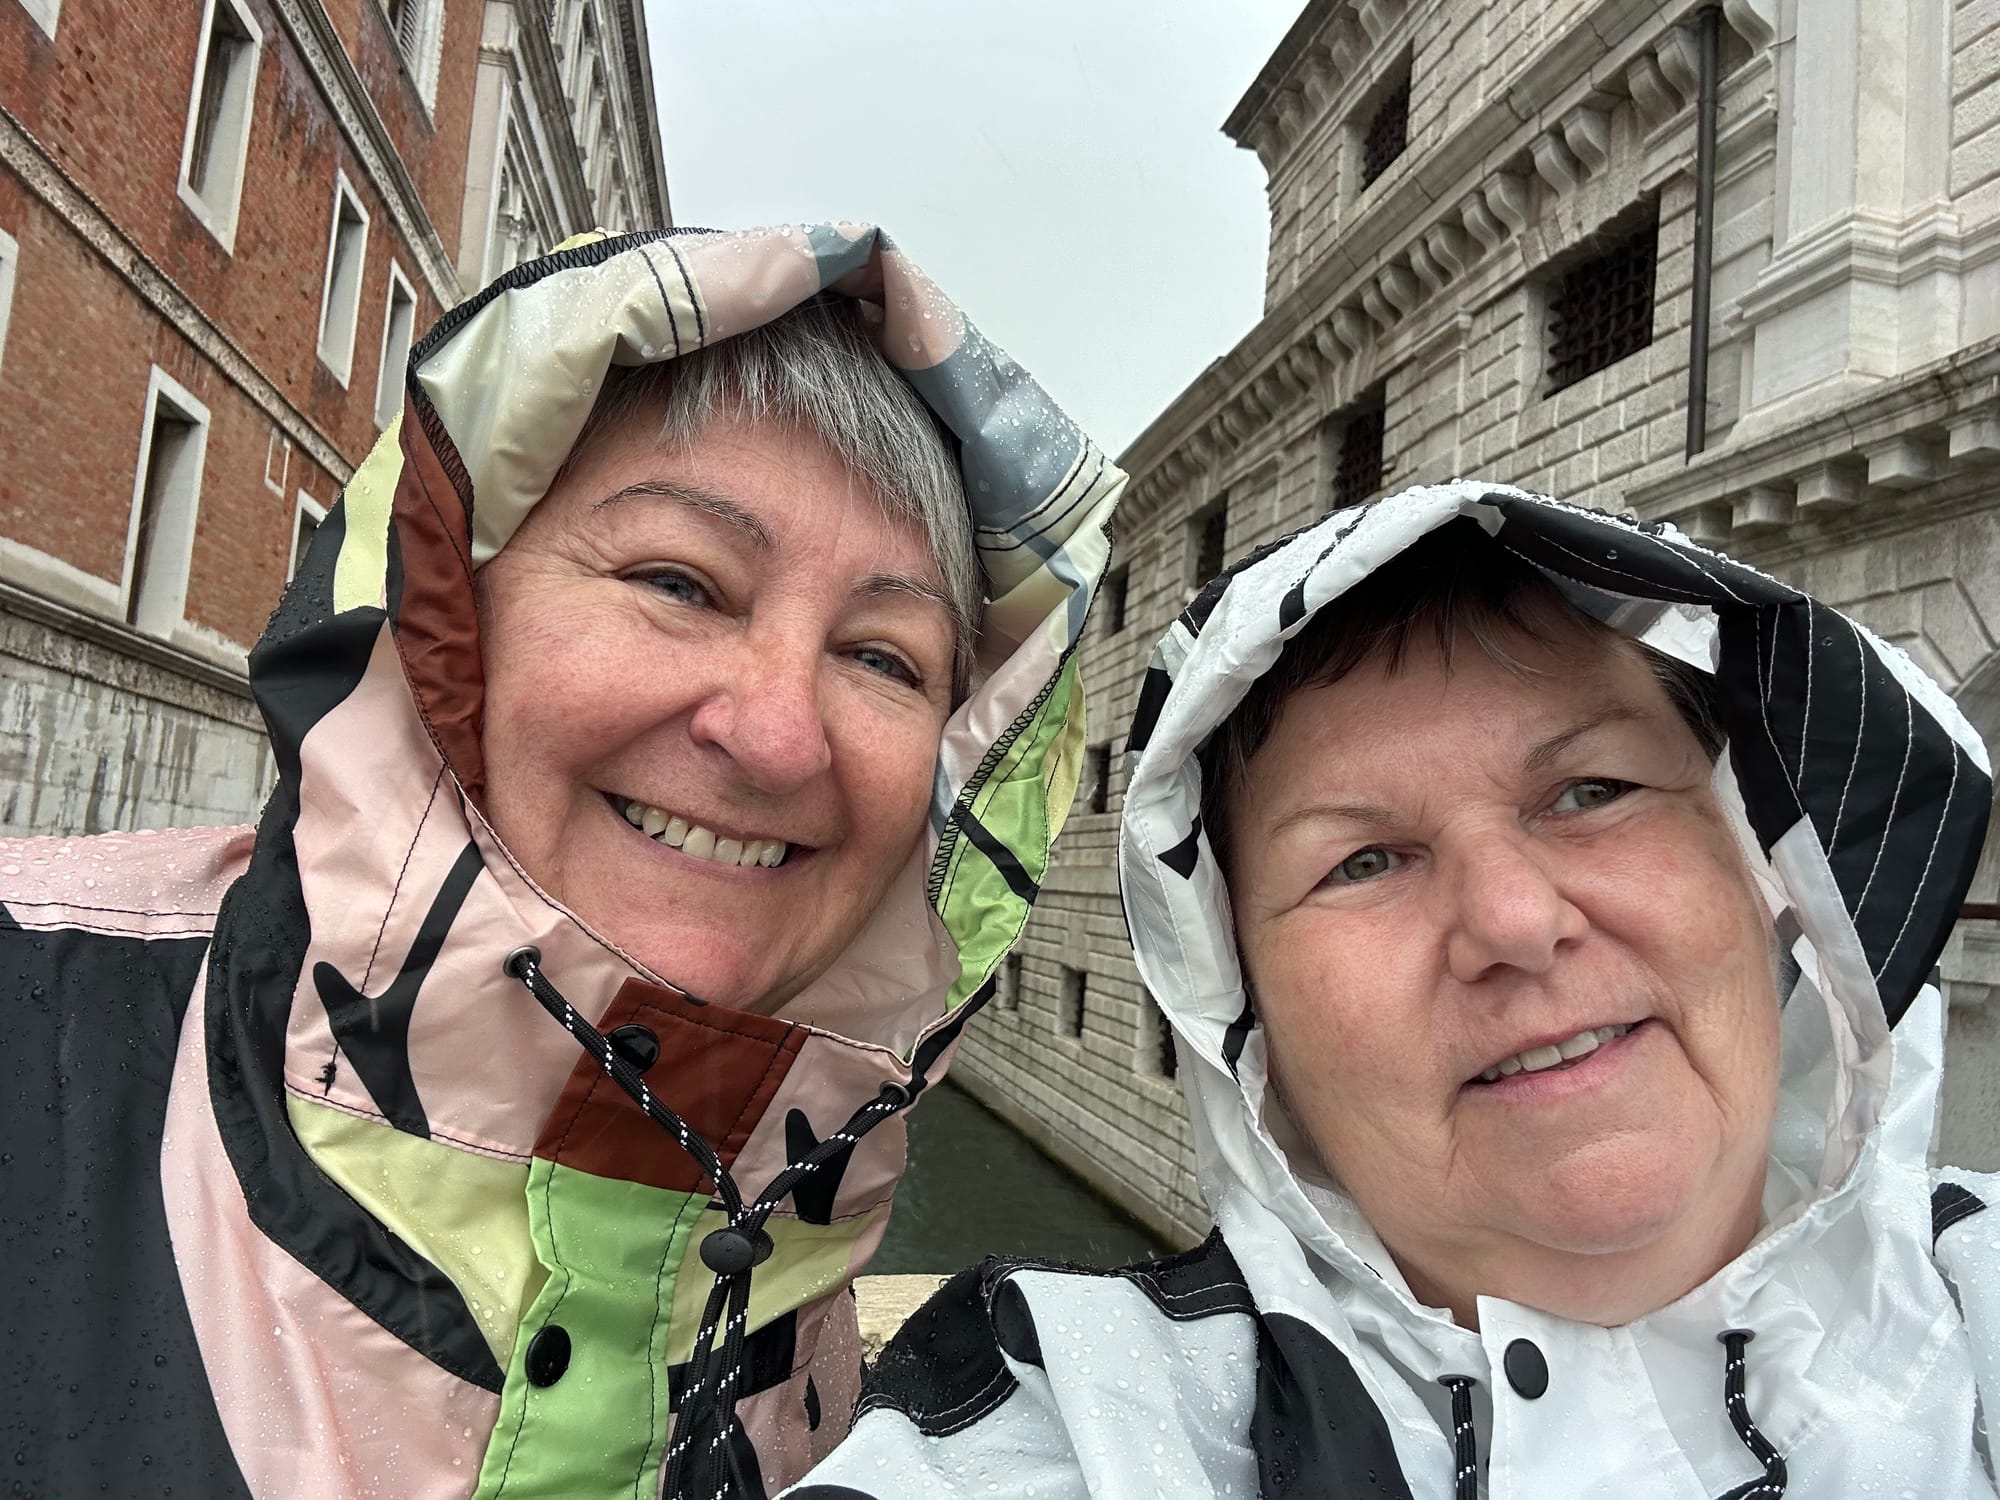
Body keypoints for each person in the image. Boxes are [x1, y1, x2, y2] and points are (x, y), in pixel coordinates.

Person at [1, 223, 1124, 1500]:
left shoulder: (810, 1262)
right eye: (681, 582)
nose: (773, 734)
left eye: (882, 658)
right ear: (445, 615)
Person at [786, 482, 1998, 1498]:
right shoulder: (1077, 1424)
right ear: (1244, 1024)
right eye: (1361, 861)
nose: (1516, 924)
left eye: (1591, 792)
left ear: (1760, 872)